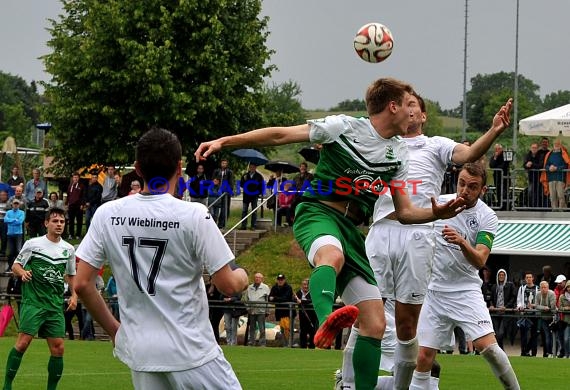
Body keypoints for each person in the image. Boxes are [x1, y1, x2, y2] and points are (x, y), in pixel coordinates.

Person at [196, 77, 468, 389]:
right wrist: (225, 142)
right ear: (392, 106)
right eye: (410, 104)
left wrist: (437, 212)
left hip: (352, 231)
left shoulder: (398, 154)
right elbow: (281, 135)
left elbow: (405, 212)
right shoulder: (344, 127)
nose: (416, 110)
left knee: (376, 324)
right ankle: (326, 318)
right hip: (318, 212)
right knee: (331, 255)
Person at [74, 127, 247, 390]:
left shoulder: (107, 214)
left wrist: (114, 330)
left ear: (137, 169)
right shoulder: (193, 214)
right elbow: (229, 285)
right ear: (179, 167)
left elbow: (82, 284)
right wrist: (243, 276)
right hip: (191, 352)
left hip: (142, 353)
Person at [362, 94, 511, 390]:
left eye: (413, 104)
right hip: (393, 246)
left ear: (423, 115)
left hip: (441, 263)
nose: (407, 108)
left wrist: (494, 130)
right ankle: (350, 381)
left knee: (482, 348)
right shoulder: (383, 147)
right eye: (401, 104)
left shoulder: (436, 147)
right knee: (376, 321)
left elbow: (468, 155)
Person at [410, 163, 520, 389]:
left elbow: (480, 260)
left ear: (482, 190)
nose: (464, 190)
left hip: (465, 291)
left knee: (489, 349)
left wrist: (461, 241)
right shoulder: (440, 203)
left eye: (472, 186)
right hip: (433, 292)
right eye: (462, 183)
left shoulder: (487, 216)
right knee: (422, 358)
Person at [3, 207, 77, 390]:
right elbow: (16, 265)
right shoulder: (33, 243)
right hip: (33, 302)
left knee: (58, 348)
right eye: (55, 221)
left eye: (62, 221)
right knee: (22, 344)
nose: (59, 224)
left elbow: (71, 275)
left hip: (54, 304)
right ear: (46, 223)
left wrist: (74, 296)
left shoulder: (68, 249)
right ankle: (7, 386)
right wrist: (22, 273)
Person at [489, 269, 517, 350]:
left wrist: (506, 306)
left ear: (505, 276)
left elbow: (513, 297)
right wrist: (491, 305)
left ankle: (500, 350)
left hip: (505, 312)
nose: (501, 276)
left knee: (501, 333)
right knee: (496, 333)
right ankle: (501, 350)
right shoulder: (494, 287)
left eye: (503, 275)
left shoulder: (510, 285)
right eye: (500, 275)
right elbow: (491, 298)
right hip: (496, 312)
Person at [541, 139, 570, 210]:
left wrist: (556, 168)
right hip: (551, 178)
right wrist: (549, 167)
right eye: (555, 144)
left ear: (560, 145)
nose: (556, 145)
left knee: (560, 195)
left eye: (558, 144)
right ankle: (554, 210)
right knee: (552, 196)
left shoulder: (563, 154)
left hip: (560, 178)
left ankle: (561, 210)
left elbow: (566, 165)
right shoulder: (549, 154)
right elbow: (546, 165)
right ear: (553, 145)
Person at [516, 271, 539, 357]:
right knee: (524, 334)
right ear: (525, 279)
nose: (528, 279)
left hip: (534, 313)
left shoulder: (537, 288)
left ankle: (532, 352)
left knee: (534, 334)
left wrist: (536, 306)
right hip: (524, 313)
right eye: (527, 277)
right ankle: (523, 352)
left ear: (533, 278)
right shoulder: (522, 288)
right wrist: (519, 306)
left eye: (530, 277)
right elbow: (519, 300)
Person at [269, 274, 296, 347]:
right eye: (279, 280)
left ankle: (290, 344)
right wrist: (276, 299)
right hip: (280, 313)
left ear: (284, 280)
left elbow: (285, 298)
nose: (280, 281)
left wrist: (275, 298)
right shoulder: (274, 287)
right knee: (282, 329)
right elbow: (269, 298)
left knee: (289, 329)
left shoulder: (288, 287)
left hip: (288, 313)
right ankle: (285, 344)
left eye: (282, 280)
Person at [245, 272, 270, 347]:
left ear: (262, 279)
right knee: (252, 327)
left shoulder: (265, 287)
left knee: (262, 328)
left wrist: (267, 310)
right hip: (252, 310)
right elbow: (246, 298)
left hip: (261, 311)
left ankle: (262, 343)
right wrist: (248, 308)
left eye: (259, 277)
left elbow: (267, 300)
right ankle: (251, 342)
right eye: (256, 277)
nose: (257, 279)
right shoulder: (249, 287)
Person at [534, 281, 557, 358]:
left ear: (548, 288)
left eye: (545, 287)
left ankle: (554, 352)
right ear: (540, 288)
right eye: (542, 287)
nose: (544, 289)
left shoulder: (552, 293)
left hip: (552, 318)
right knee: (547, 335)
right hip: (543, 318)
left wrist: (546, 308)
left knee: (554, 336)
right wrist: (545, 308)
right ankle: (549, 353)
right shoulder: (538, 294)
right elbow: (536, 306)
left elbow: (552, 307)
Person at [239, 163, 264, 230]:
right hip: (246, 195)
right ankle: (243, 225)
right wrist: (244, 180)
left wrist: (258, 193)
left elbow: (261, 186)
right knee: (244, 210)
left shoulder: (259, 176)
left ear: (255, 168)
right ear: (249, 168)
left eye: (253, 167)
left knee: (254, 211)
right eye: (251, 167)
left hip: (254, 196)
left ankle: (253, 225)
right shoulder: (245, 175)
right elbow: (241, 185)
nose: (252, 168)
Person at [295, 278, 318, 349]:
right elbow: (294, 299)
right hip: (302, 316)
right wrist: (297, 300)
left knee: (312, 332)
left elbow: (311, 301)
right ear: (302, 285)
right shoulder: (299, 292)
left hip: (312, 316)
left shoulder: (313, 292)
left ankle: (312, 347)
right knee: (303, 332)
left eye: (307, 285)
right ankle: (303, 347)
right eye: (304, 284)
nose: (306, 286)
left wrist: (301, 301)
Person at [212, 159, 235, 229]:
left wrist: (229, 191)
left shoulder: (229, 172)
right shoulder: (217, 171)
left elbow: (231, 182)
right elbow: (213, 180)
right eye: (223, 163)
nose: (224, 164)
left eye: (225, 163)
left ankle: (222, 223)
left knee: (225, 208)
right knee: (215, 207)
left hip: (225, 193)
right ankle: (214, 223)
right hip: (217, 192)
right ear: (220, 164)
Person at [523, 142, 547, 208]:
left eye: (535, 148)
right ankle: (532, 206)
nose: (534, 149)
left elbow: (541, 165)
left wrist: (531, 164)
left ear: (538, 148)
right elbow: (524, 165)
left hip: (540, 178)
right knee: (531, 192)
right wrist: (527, 165)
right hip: (531, 178)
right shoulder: (528, 155)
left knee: (540, 193)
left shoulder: (541, 155)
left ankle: (540, 207)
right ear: (530, 148)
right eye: (533, 148)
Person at [4, 199, 25, 272]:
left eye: (17, 204)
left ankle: (19, 267)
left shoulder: (22, 212)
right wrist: (14, 220)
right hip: (10, 234)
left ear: (19, 205)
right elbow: (5, 220)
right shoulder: (8, 212)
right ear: (12, 204)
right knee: (10, 252)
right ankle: (10, 267)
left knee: (18, 251)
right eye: (14, 204)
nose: (15, 205)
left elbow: (20, 222)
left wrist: (11, 220)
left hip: (18, 234)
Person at [489, 144, 509, 210]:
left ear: (501, 149)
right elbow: (491, 165)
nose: (497, 150)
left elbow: (504, 166)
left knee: (504, 192)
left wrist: (496, 167)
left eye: (498, 149)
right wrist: (495, 158)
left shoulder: (505, 156)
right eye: (496, 149)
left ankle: (505, 206)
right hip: (497, 177)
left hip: (504, 177)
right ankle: (500, 205)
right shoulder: (494, 156)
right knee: (498, 191)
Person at [558, 280, 570, 358]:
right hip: (566, 321)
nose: (569, 288)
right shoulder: (562, 297)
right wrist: (566, 308)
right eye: (568, 287)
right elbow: (560, 308)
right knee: (565, 339)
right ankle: (567, 354)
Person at [0, 190, 9, 256]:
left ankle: (3, 252)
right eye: (1, 195)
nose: (3, 196)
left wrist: (2, 213)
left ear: (6, 196)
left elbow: (9, 213)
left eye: (4, 195)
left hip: (5, 222)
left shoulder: (9, 203)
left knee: (4, 237)